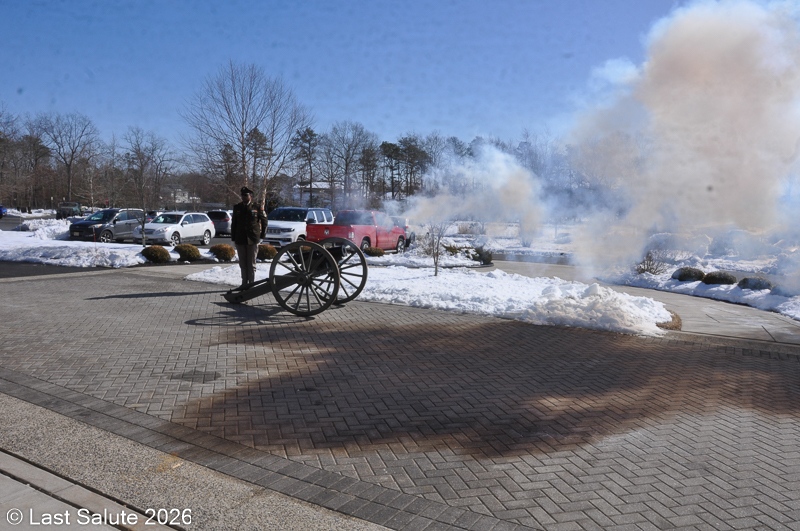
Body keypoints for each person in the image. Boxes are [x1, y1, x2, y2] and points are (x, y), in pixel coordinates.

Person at [230, 186, 268, 289]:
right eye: (242, 195)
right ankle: (244, 283)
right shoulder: (237, 207)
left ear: (250, 196)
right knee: (243, 263)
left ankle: (251, 283)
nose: (243, 197)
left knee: (251, 263)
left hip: (253, 238)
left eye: (245, 195)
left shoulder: (257, 207)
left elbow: (264, 221)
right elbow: (234, 223)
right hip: (240, 238)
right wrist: (233, 238)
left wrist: (262, 235)